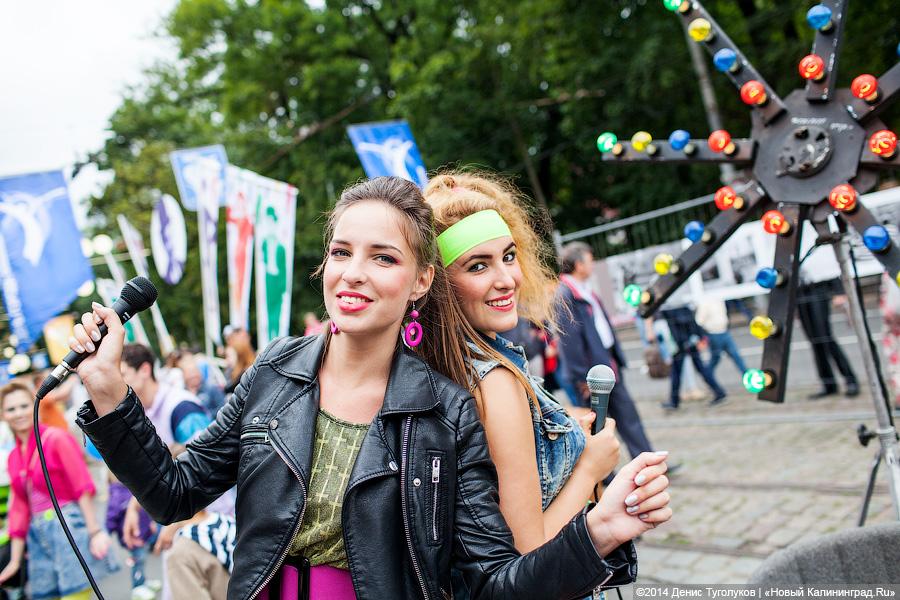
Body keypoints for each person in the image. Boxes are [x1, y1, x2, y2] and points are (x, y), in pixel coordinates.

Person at [70, 177, 671, 600]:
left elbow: (492, 583)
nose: (353, 273)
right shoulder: (276, 371)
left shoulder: (447, 412)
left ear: (421, 281)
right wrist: (108, 390)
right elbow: (175, 492)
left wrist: (598, 531)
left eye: (382, 258)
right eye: (341, 252)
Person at [424, 173, 626, 599]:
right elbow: (527, 555)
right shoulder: (492, 381)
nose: (507, 279)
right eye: (478, 265)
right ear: (437, 285)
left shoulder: (447, 367)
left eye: (509, 256)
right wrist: (591, 467)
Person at [0, 379, 118, 600]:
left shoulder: (56, 438)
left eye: (24, 405)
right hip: (38, 537)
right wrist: (15, 561)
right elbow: (20, 509)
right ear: (3, 415)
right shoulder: (13, 457)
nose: (19, 413)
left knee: (76, 595)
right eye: (11, 409)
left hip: (67, 527)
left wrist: (94, 531)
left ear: (35, 405)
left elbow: (81, 485)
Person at [556, 242, 658, 462]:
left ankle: (647, 462)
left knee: (628, 417)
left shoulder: (584, 290)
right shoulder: (565, 294)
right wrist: (582, 378)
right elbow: (569, 342)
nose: (592, 264)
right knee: (596, 429)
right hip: (592, 377)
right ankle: (605, 476)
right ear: (578, 264)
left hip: (607, 366)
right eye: (589, 260)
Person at [659, 305, 728, 409]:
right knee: (700, 368)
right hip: (689, 339)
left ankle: (674, 401)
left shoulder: (670, 306)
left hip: (680, 342)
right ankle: (719, 392)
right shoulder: (681, 305)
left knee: (677, 371)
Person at [694, 298, 748, 380]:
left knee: (736, 356)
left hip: (724, 332)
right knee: (715, 359)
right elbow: (699, 321)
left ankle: (748, 378)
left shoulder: (720, 298)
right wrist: (706, 332)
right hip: (713, 334)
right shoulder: (704, 302)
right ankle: (708, 378)